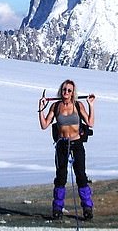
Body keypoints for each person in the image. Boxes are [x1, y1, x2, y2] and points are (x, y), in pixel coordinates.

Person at [39, 79, 96, 220]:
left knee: (81, 176)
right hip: (62, 145)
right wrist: (41, 109)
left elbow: (90, 122)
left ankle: (87, 208)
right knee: (61, 178)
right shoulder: (56, 106)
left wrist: (91, 105)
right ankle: (57, 209)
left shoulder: (78, 105)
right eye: (64, 89)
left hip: (76, 144)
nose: (66, 92)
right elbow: (44, 125)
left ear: (73, 92)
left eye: (69, 90)